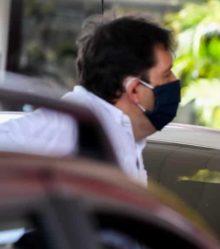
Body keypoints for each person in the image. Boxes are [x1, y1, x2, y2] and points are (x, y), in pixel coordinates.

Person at [0, 14, 180, 185]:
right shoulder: (67, 126)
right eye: (166, 74)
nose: (175, 81)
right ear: (134, 90)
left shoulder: (121, 135)